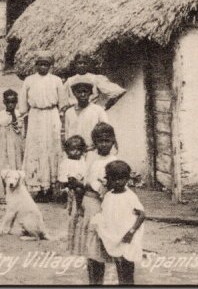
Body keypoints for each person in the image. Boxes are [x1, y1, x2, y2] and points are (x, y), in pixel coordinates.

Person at [18, 50, 68, 201]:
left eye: (46, 65)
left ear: (51, 66)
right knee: (36, 149)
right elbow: (23, 104)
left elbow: (62, 103)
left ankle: (53, 188)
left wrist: (62, 123)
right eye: (40, 64)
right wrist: (26, 124)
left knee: (52, 148)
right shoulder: (29, 81)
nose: (43, 67)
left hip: (51, 116)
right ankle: (39, 188)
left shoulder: (56, 80)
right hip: (35, 117)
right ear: (35, 65)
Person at [74, 122, 119, 285]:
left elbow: (111, 187)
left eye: (107, 141)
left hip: (102, 205)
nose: (104, 144)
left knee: (99, 246)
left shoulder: (114, 161)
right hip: (89, 204)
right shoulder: (92, 159)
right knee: (91, 248)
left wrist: (92, 185)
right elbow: (85, 178)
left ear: (113, 141)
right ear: (95, 142)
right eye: (100, 141)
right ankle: (94, 282)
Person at [91, 160, 146, 285]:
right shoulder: (109, 195)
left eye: (122, 179)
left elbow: (142, 215)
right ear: (108, 179)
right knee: (119, 266)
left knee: (126, 268)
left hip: (127, 237)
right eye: (114, 179)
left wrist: (131, 232)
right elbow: (107, 214)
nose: (118, 182)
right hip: (115, 237)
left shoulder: (129, 196)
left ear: (127, 179)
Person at [60, 135, 88, 253]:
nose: (75, 152)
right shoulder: (66, 162)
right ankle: (71, 243)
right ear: (67, 150)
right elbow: (63, 178)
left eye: (78, 149)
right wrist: (68, 183)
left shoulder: (83, 161)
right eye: (72, 149)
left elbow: (85, 173)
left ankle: (80, 242)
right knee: (72, 215)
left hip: (80, 186)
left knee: (80, 217)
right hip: (71, 188)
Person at [64, 76, 108, 148]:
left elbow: (105, 133)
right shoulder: (69, 113)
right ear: (74, 93)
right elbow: (67, 136)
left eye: (85, 91)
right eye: (79, 92)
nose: (82, 95)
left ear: (90, 92)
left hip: (93, 151)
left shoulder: (98, 110)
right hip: (75, 152)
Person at [0, 89, 24, 174]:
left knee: (16, 160)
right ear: (4, 102)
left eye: (13, 102)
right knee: (4, 162)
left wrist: (13, 114)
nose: (11, 105)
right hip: (4, 142)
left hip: (15, 142)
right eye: (8, 102)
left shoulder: (18, 114)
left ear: (16, 102)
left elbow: (18, 127)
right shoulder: (0, 115)